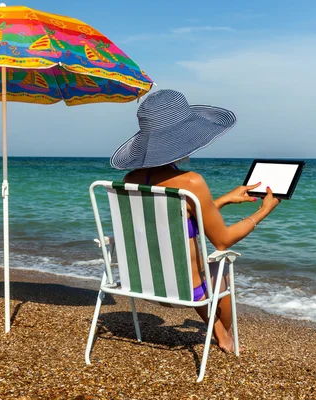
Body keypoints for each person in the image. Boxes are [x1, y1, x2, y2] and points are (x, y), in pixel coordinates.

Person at [110, 89, 280, 353]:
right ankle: (223, 333)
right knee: (220, 265)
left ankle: (221, 334)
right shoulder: (191, 182)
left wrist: (223, 200)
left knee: (186, 254)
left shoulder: (130, 180)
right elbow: (223, 241)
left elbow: (173, 217)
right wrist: (264, 211)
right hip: (187, 290)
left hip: (146, 283)